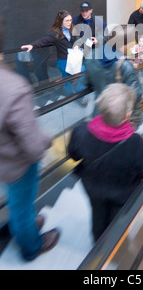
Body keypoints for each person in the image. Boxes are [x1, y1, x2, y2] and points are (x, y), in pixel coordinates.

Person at [0, 15, 60, 261]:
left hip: (3, 162)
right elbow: (33, 147)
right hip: (17, 164)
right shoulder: (13, 87)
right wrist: (46, 142)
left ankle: (22, 222)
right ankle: (31, 246)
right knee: (22, 205)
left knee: (17, 199)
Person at [68, 83, 143, 241]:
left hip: (93, 188)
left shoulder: (81, 131)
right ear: (127, 116)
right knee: (116, 220)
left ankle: (97, 240)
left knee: (97, 213)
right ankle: (112, 245)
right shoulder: (135, 143)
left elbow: (73, 155)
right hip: (121, 193)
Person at [82, 25, 143, 128]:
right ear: (125, 45)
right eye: (131, 43)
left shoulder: (91, 55)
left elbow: (86, 82)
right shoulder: (125, 66)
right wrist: (132, 71)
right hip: (117, 119)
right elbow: (136, 94)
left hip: (98, 113)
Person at [21, 10, 85, 95]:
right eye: (67, 20)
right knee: (67, 80)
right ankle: (70, 95)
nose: (70, 22)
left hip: (74, 58)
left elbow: (77, 39)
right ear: (61, 21)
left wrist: (77, 45)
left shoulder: (71, 29)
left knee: (83, 73)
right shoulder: (55, 34)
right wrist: (32, 45)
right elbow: (44, 40)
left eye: (70, 20)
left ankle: (79, 94)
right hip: (64, 61)